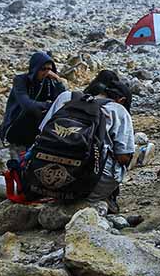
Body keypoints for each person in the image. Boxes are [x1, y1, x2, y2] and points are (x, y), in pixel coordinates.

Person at [37, 71, 135, 212]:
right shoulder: (118, 110)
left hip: (43, 180)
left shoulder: (66, 97)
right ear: (122, 100)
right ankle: (103, 198)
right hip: (88, 187)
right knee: (122, 158)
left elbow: (41, 133)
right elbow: (123, 157)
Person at [0, 52, 68, 150]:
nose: (46, 72)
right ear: (35, 68)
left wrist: (58, 82)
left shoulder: (48, 82)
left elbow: (62, 101)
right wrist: (49, 106)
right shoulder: (20, 80)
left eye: (49, 69)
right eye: (43, 69)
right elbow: (27, 104)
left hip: (36, 128)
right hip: (16, 126)